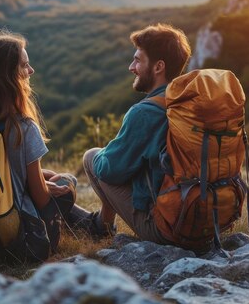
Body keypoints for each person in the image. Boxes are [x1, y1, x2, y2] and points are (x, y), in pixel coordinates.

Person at [0, 31, 90, 261]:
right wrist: (49, 186)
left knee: (51, 178)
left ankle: (92, 224)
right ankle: (92, 225)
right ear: (8, 76)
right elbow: (40, 198)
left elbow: (5, 177)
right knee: (67, 182)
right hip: (21, 237)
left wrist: (39, 179)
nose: (31, 71)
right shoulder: (23, 128)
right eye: (25, 66)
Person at [82, 23, 191, 243]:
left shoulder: (145, 113)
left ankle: (101, 227)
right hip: (205, 220)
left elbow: (109, 171)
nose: (132, 67)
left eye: (138, 60)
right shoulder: (190, 104)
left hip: (167, 230)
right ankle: (100, 225)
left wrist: (112, 149)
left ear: (158, 66)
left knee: (93, 158)